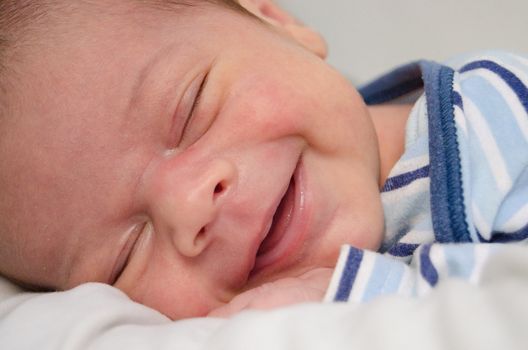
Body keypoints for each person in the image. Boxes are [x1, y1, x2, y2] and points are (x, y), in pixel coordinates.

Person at [0, 0, 526, 323]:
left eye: (191, 110)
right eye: (124, 254)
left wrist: (363, 296)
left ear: (278, 21)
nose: (190, 205)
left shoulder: (494, 122)